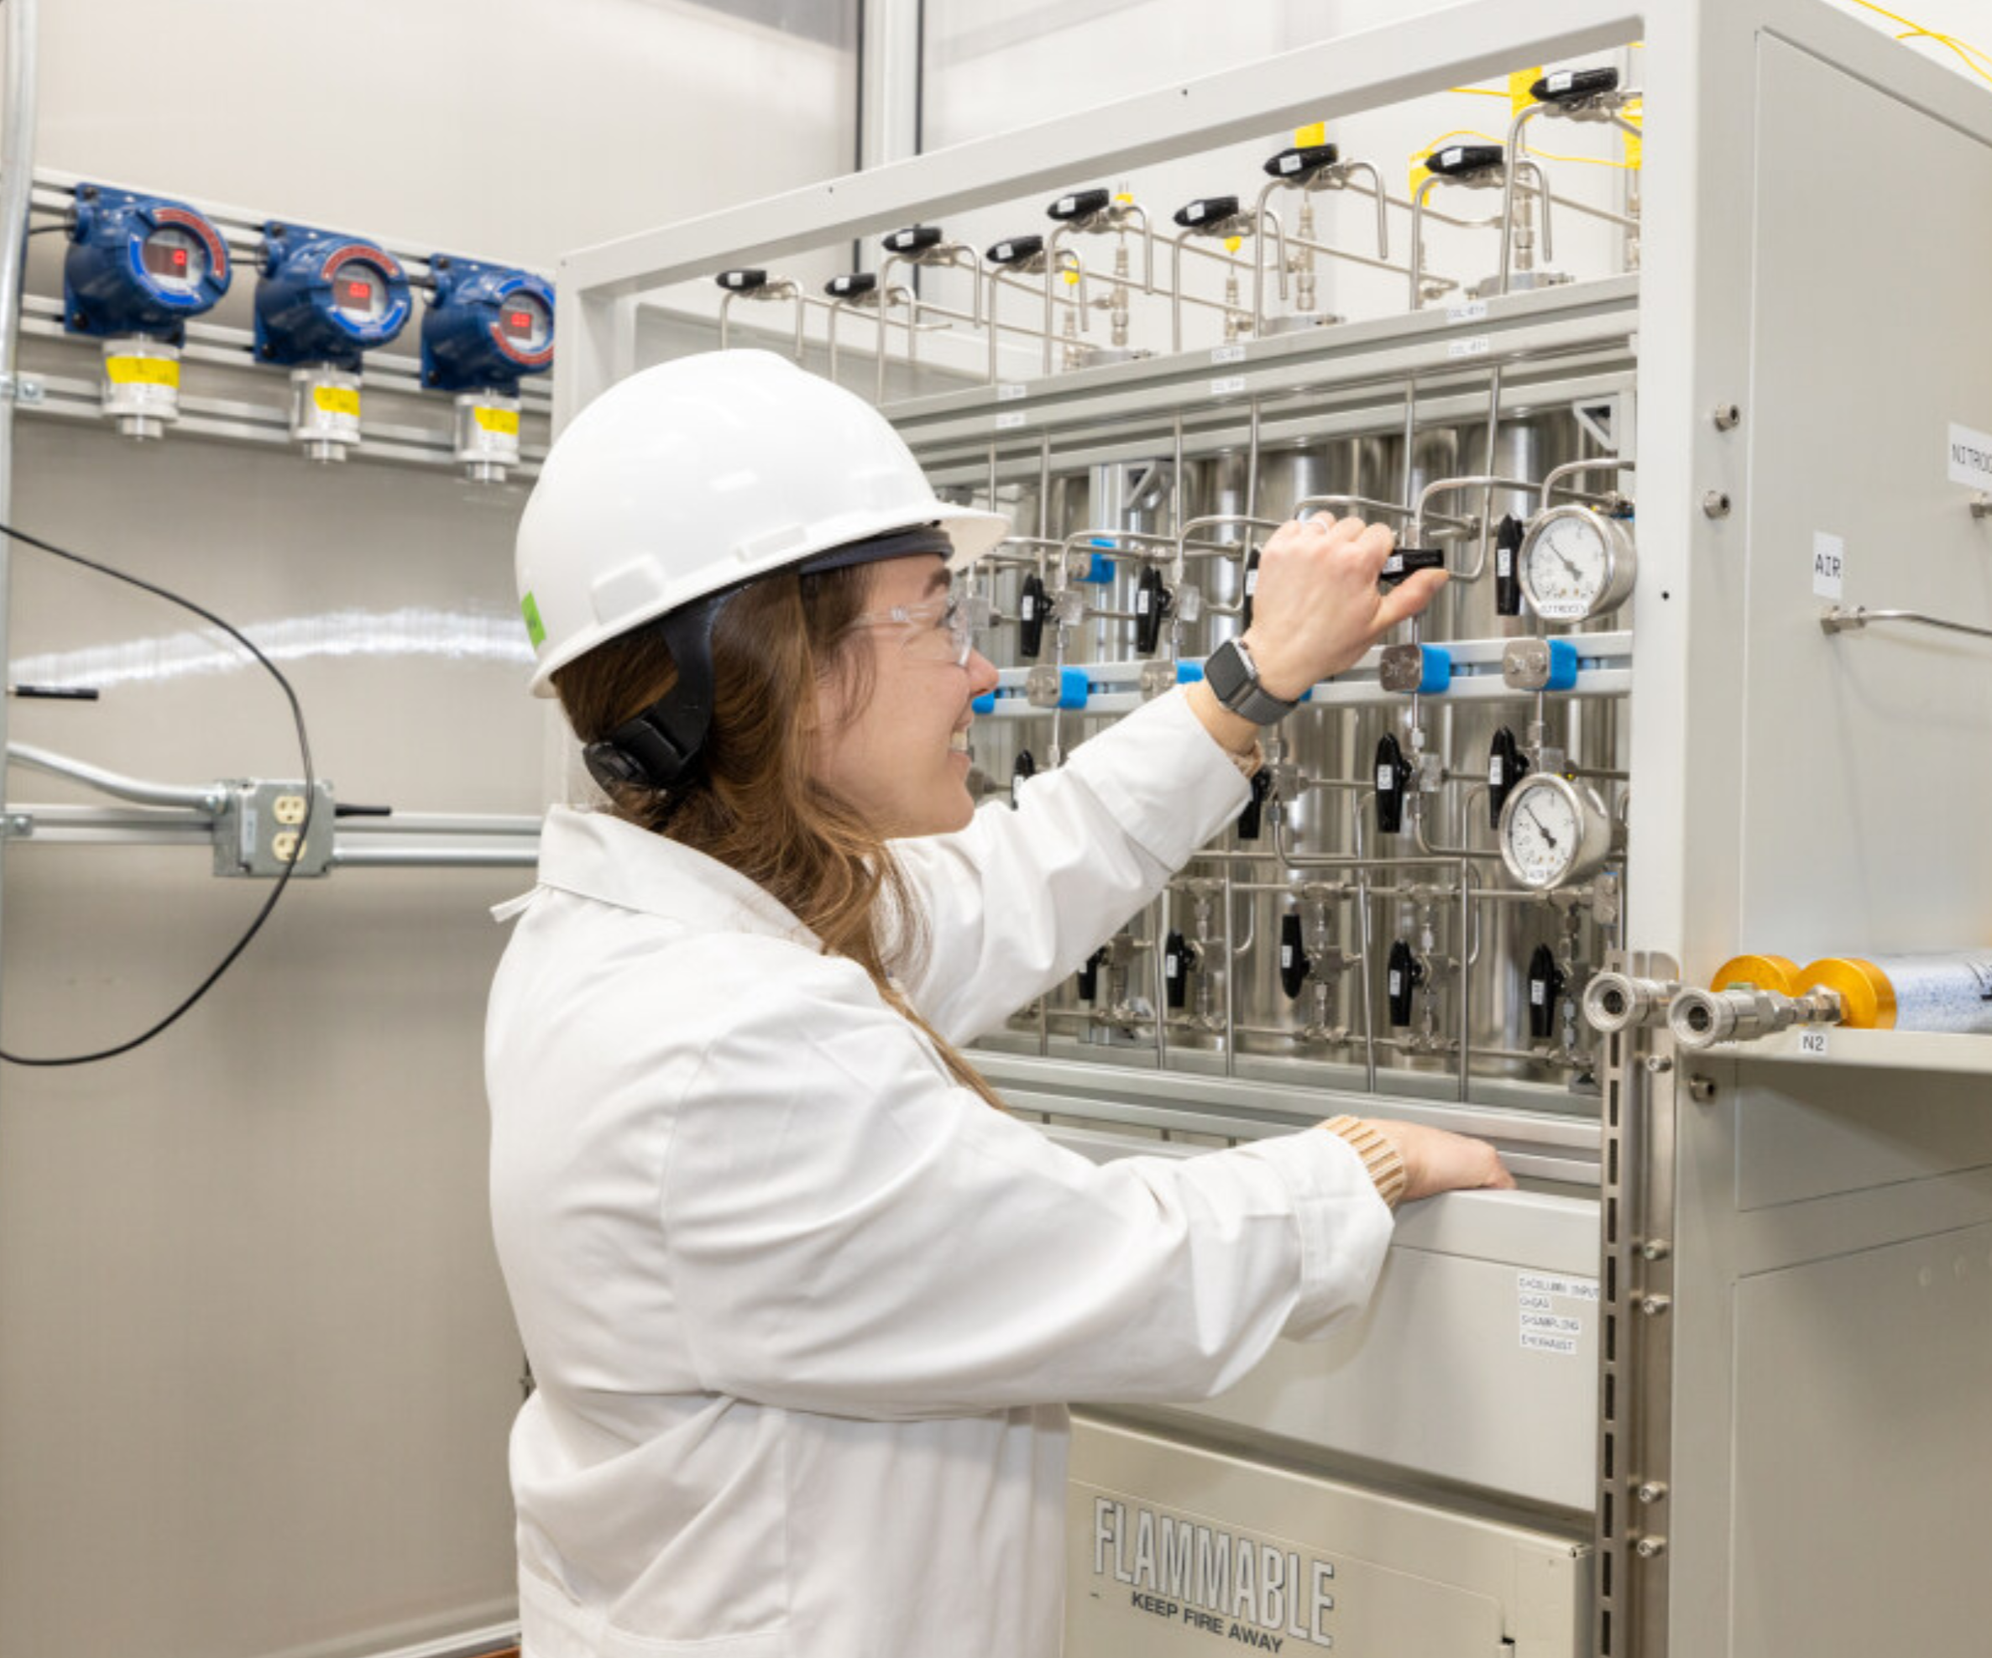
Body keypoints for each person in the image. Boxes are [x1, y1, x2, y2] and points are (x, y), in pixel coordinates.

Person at [487, 350, 1515, 1658]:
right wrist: (1360, 1161)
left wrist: (1254, 676)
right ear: (771, 668)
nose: (980, 673)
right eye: (932, 617)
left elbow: (1012, 878)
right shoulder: (724, 1050)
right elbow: (1134, 1271)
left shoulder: (646, 931)